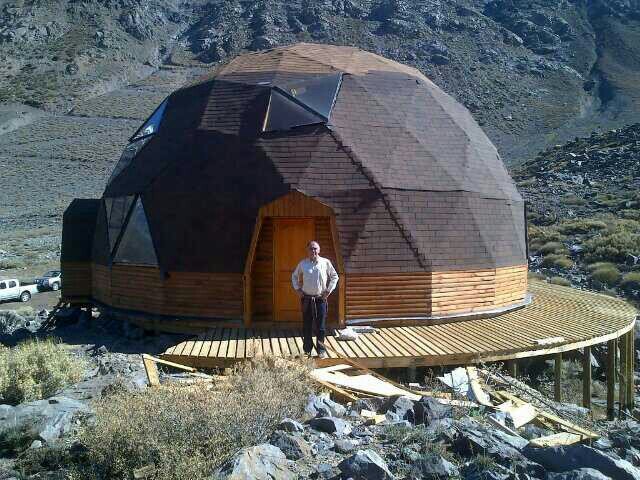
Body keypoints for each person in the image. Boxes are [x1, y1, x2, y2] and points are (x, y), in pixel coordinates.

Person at [291, 240, 339, 358]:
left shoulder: (325, 262)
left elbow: (335, 276)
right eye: (311, 249)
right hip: (306, 299)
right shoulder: (303, 264)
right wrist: (298, 289)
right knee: (306, 326)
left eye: (315, 248)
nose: (313, 251)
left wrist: (328, 291)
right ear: (307, 251)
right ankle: (307, 350)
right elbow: (294, 276)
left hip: (320, 299)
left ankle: (321, 350)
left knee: (321, 327)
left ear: (319, 250)